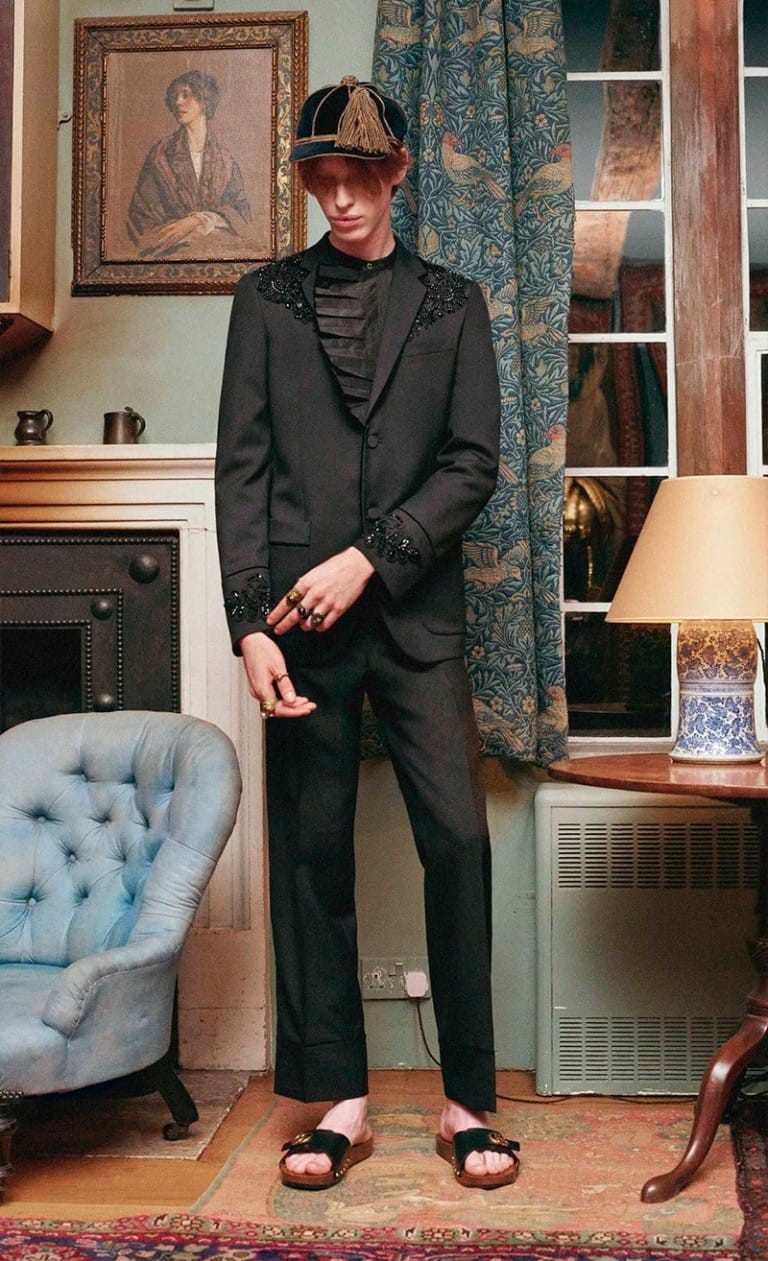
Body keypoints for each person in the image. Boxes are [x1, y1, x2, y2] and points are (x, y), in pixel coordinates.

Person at [215, 76, 520, 1192]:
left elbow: (472, 465)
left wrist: (370, 559)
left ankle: (467, 1102)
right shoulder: (264, 300)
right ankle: (336, 1101)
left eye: (359, 178)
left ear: (396, 174)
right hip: (298, 627)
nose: (341, 199)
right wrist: (250, 627)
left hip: (417, 617)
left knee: (459, 843)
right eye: (323, 180)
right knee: (311, 852)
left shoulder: (454, 303)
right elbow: (242, 471)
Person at [127, 70, 251, 259]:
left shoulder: (225, 160)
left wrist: (199, 220)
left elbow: (243, 217)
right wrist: (189, 233)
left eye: (186, 95)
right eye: (175, 96)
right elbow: (141, 217)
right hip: (171, 257)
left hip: (218, 256)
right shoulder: (160, 154)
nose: (178, 102)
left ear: (204, 100)